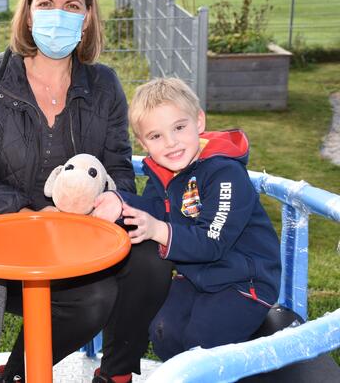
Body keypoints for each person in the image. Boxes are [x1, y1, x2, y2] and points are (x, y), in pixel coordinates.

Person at [0, 0, 173, 382]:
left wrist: (112, 200)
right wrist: (33, 213)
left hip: (79, 241)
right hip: (5, 243)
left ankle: (114, 374)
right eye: (46, 4)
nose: (58, 15)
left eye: (71, 6)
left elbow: (119, 170)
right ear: (29, 14)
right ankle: (17, 375)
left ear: (86, 18)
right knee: (92, 297)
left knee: (151, 263)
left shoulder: (104, 85)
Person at [94, 77, 281, 360]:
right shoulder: (164, 173)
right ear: (143, 142)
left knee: (201, 341)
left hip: (244, 282)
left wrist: (159, 230)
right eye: (156, 136)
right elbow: (155, 209)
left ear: (199, 122)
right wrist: (119, 203)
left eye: (179, 128)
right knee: (162, 330)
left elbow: (211, 242)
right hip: (196, 277)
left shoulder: (224, 173)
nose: (171, 143)